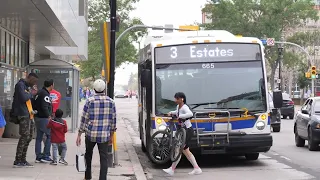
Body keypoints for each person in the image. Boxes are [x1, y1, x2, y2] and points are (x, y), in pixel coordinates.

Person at [76, 79, 117, 180]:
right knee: (104, 158)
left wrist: (79, 134)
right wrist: (111, 136)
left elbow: (84, 118)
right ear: (104, 89)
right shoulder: (111, 102)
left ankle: (87, 176)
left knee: (88, 155)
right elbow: (113, 120)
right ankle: (102, 178)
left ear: (94, 89)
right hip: (104, 135)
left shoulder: (89, 101)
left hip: (90, 134)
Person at [163, 92, 202, 176]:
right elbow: (177, 112)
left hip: (187, 131)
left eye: (177, 98)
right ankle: (196, 168)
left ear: (182, 99)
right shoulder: (178, 107)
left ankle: (172, 169)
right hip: (182, 131)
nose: (175, 100)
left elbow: (190, 114)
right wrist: (171, 113)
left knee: (179, 149)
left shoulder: (185, 107)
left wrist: (181, 117)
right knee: (184, 150)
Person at [12, 73, 39, 168]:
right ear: (30, 78)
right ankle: (18, 159)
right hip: (23, 114)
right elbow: (23, 97)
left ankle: (23, 159)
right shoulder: (20, 85)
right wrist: (30, 93)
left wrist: (30, 93)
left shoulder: (27, 87)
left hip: (29, 113)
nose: (35, 83)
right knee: (24, 136)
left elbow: (28, 98)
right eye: (34, 81)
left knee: (30, 136)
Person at [34, 79, 54, 163]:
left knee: (39, 137)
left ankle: (38, 156)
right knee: (49, 135)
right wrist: (48, 116)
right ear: (51, 85)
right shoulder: (45, 94)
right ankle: (45, 155)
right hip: (43, 118)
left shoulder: (39, 92)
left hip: (37, 117)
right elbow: (45, 106)